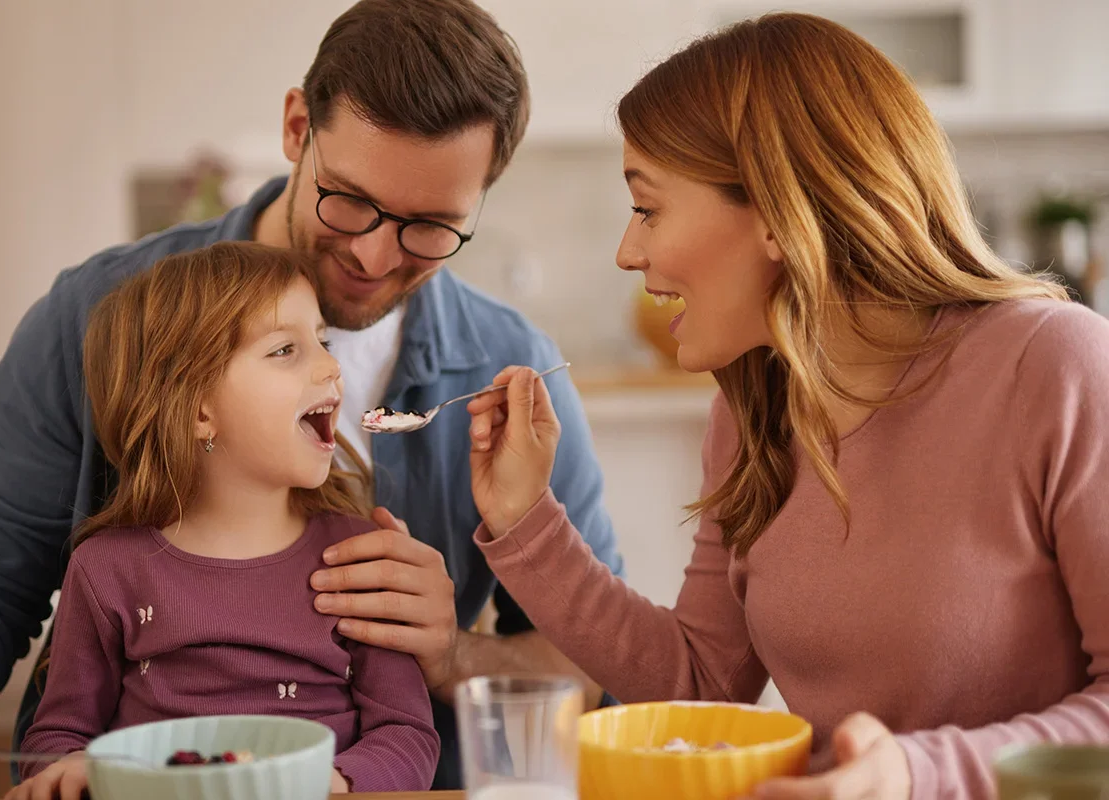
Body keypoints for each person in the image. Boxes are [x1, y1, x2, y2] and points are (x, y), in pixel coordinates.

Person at [0, 0, 621, 789]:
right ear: (296, 129)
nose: (374, 254)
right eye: (349, 198)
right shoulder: (98, 319)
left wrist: (451, 652)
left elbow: (592, 665)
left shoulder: (509, 369)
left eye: (431, 226)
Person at [464, 12, 1109, 800]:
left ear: (774, 212)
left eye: (649, 208)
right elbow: (699, 686)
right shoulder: (753, 407)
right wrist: (526, 519)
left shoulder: (1055, 365)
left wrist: (915, 773)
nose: (629, 252)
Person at [12, 242, 440, 798]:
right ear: (198, 412)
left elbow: (407, 734)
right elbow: (58, 735)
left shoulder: (363, 558)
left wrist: (340, 783)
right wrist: (64, 771)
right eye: (286, 349)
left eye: (324, 341)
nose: (332, 365)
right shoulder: (105, 571)